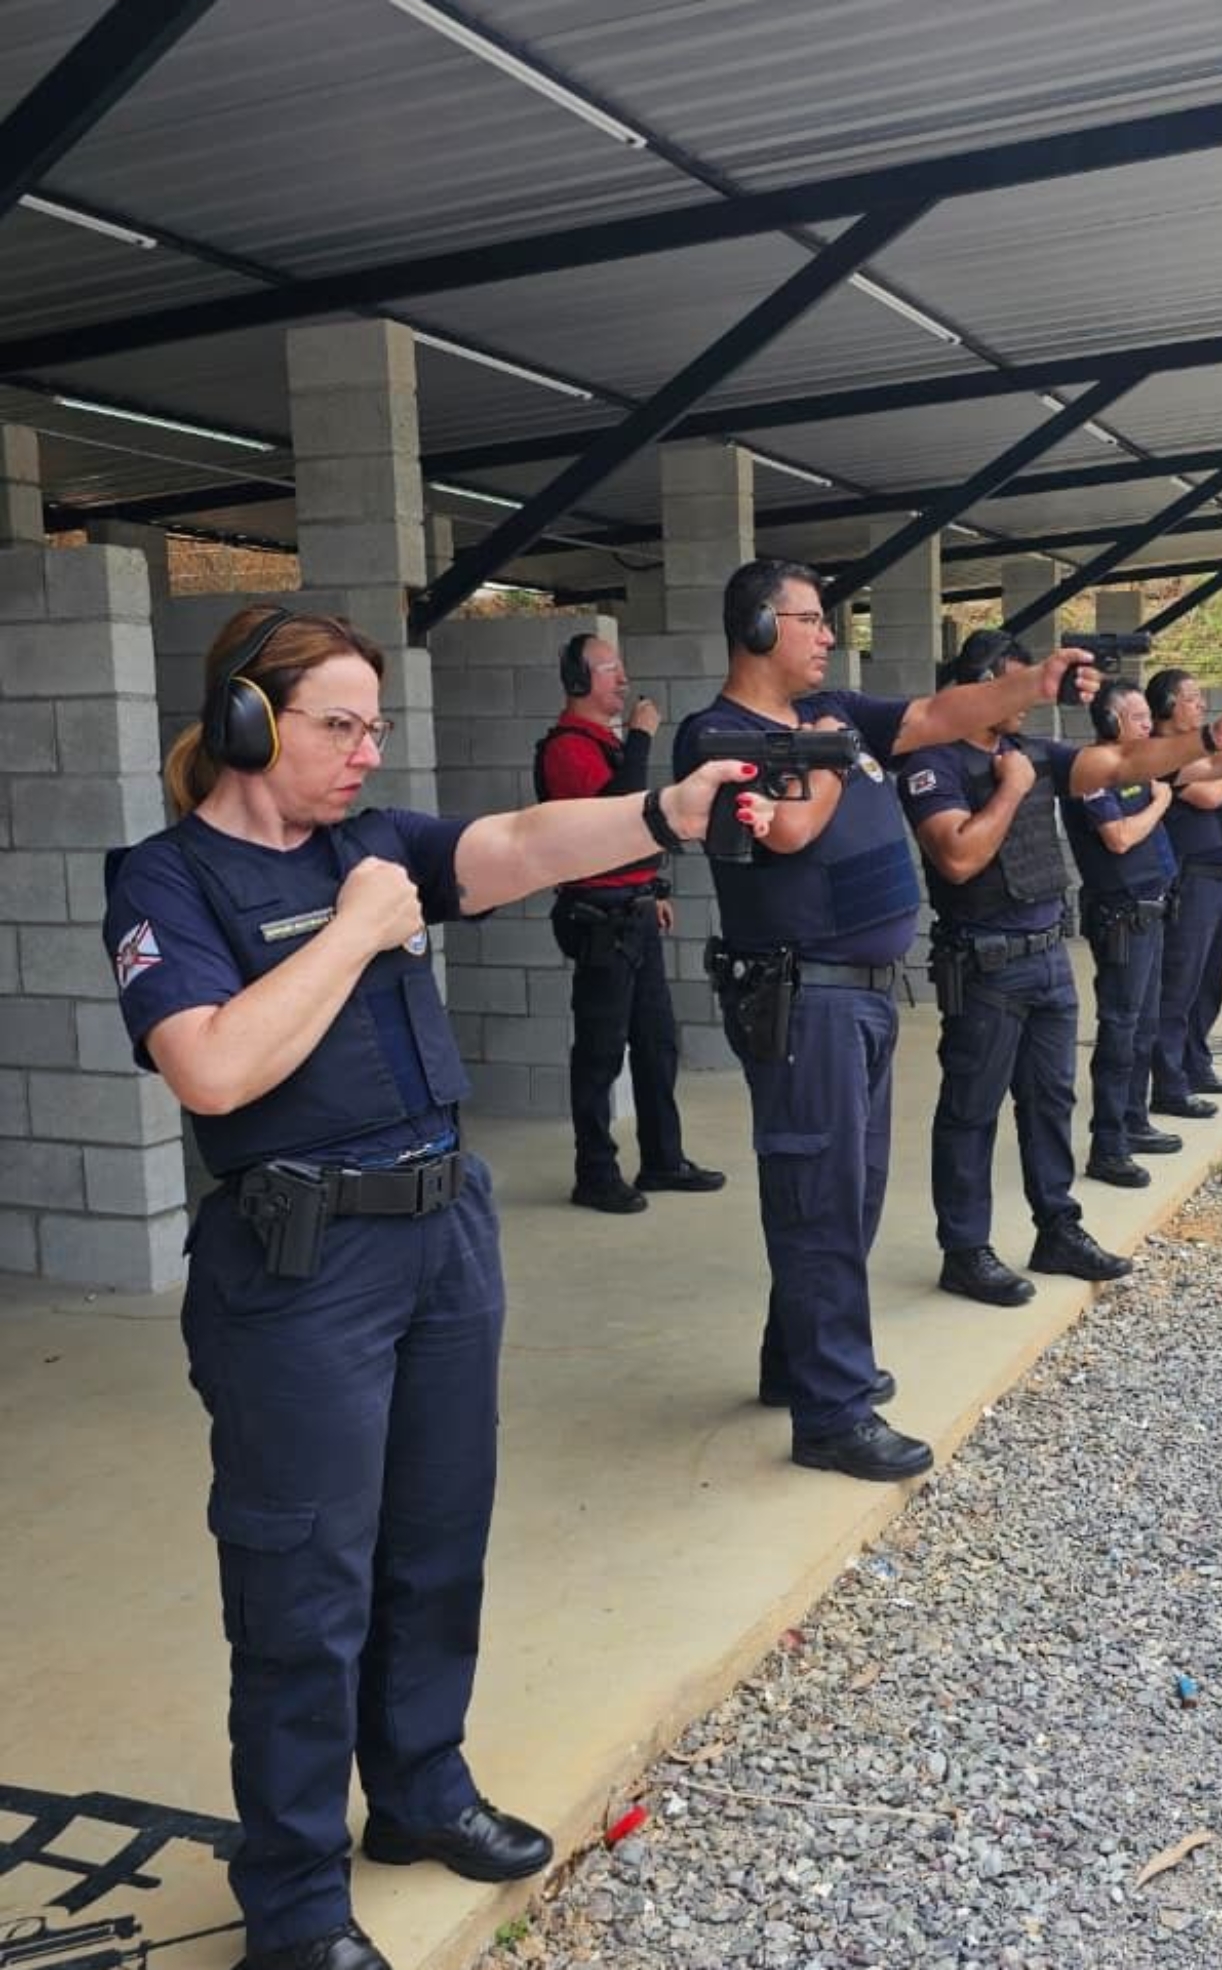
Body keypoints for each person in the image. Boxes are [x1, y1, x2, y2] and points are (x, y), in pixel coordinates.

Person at [102, 606, 769, 1970]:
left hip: (439, 1228)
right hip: (300, 1263)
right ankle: (290, 1897)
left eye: (375, 727)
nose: (365, 751)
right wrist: (350, 930)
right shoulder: (166, 880)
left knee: (435, 1538)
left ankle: (416, 1787)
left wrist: (670, 808)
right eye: (337, 723)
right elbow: (214, 1068)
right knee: (302, 1586)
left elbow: (522, 843)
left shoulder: (381, 839)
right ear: (244, 720)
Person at [672, 560, 1096, 1482]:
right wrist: (826, 761)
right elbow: (785, 834)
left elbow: (935, 717)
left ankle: (802, 1363)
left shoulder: (837, 714)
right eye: (812, 620)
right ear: (756, 629)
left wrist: (1033, 681)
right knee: (821, 1195)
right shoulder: (718, 733)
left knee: (849, 1192)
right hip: (803, 991)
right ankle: (833, 1413)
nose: (830, 636)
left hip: (857, 990)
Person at [901, 632, 1222, 1306]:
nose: (1029, 699)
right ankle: (966, 1250)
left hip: (1046, 958)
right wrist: (1008, 791)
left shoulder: (1031, 752)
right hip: (984, 966)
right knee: (972, 1113)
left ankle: (1056, 1228)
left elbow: (1121, 763)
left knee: (1051, 1102)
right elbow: (957, 858)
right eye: (1014, 685)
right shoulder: (933, 765)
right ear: (978, 687)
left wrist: (1208, 738)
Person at [535, 631, 723, 1212]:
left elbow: (639, 833)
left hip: (633, 911)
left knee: (656, 1043)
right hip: (600, 919)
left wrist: (652, 887)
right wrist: (641, 737)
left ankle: (663, 1159)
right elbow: (615, 817)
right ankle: (594, 1172)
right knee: (599, 1052)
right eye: (610, 670)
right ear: (578, 681)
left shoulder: (603, 742)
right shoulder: (569, 748)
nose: (622, 680)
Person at [1062, 680, 1182, 1188]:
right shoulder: (1093, 772)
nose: (1147, 725)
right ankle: (1108, 1147)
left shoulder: (1136, 770)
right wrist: (1160, 802)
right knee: (1120, 1030)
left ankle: (1133, 1120)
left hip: (1150, 911)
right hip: (1122, 916)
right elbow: (1119, 837)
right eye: (1136, 717)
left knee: (1144, 1024)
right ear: (1110, 723)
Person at [1143, 667, 1222, 1116]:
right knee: (1179, 982)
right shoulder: (1161, 754)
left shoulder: (1198, 751)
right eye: (1192, 698)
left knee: (1209, 977)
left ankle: (1196, 1065)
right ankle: (1169, 1084)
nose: (1200, 705)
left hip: (1217, 874)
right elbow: (1209, 795)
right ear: (1167, 706)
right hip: (1190, 876)